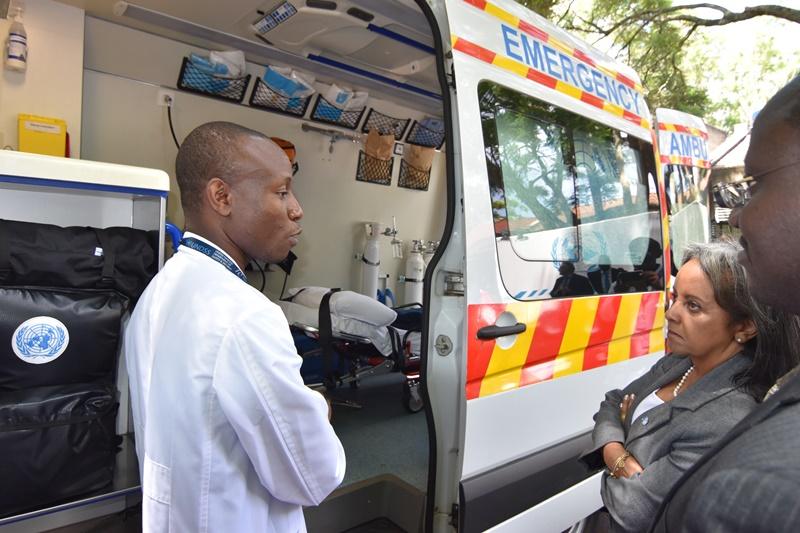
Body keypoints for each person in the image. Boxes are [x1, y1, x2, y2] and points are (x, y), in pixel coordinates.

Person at [124, 122, 345, 532]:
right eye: (282, 191)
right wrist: (319, 406)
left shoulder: (158, 291)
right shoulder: (246, 316)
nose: (297, 209)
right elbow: (313, 475)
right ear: (222, 197)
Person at [650, 75, 800, 532]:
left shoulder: (766, 486)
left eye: (755, 186)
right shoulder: (676, 365)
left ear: (743, 326)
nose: (736, 215)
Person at [581, 240, 800, 532]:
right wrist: (621, 460)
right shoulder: (680, 362)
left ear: (745, 327)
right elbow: (612, 402)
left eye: (693, 306)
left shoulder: (726, 416)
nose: (671, 314)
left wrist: (619, 434)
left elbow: (635, 510)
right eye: (675, 298)